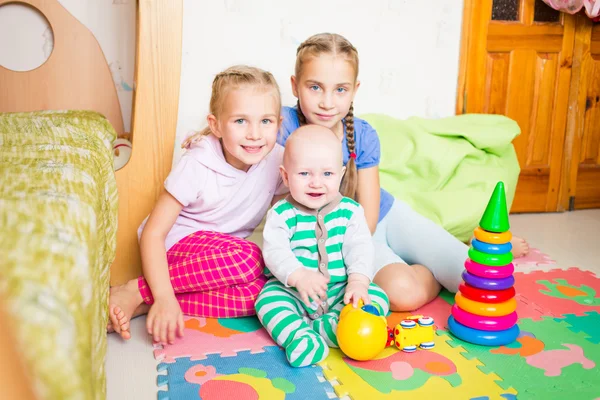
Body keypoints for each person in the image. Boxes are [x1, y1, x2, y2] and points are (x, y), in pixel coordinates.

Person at [278, 32, 530, 312]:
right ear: (294, 85)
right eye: (315, 87)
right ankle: (424, 265)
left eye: (340, 89)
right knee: (403, 295)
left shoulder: (362, 134)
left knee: (479, 278)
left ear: (355, 89)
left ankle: (455, 246)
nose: (327, 102)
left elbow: (369, 217)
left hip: (375, 222)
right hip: (342, 240)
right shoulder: (281, 127)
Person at [108, 65, 287, 344]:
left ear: (279, 123)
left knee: (264, 295)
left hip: (218, 262)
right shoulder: (199, 162)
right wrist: (164, 295)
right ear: (215, 125)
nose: (255, 133)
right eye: (240, 121)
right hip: (176, 250)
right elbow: (153, 234)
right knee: (250, 259)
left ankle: (145, 302)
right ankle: (138, 290)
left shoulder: (278, 161)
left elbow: (281, 223)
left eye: (266, 121)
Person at [255, 125, 389, 367]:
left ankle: (324, 327)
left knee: (377, 296)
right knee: (266, 301)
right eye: (304, 174)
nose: (316, 183)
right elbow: (275, 251)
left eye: (327, 174)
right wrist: (298, 276)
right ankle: (301, 336)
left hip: (338, 290)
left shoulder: (350, 212)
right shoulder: (282, 214)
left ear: (341, 174)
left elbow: (360, 248)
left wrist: (358, 281)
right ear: (286, 177)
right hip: (293, 292)